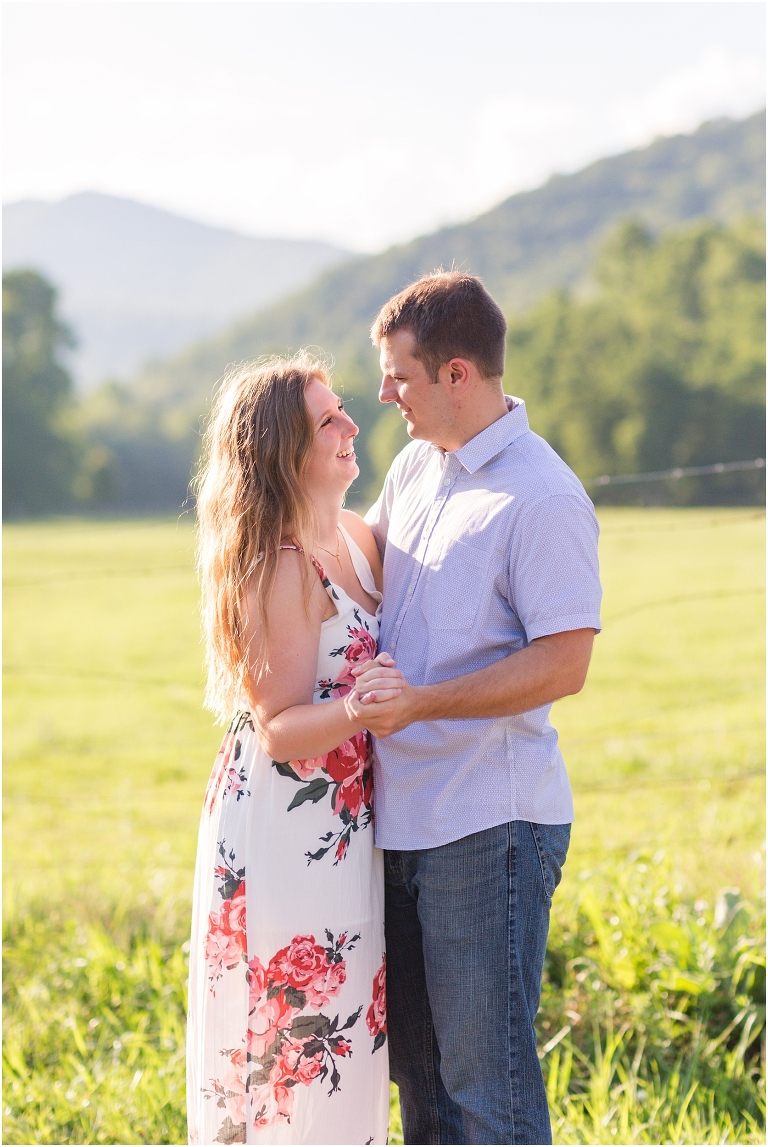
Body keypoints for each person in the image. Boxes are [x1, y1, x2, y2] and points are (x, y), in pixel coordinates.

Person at [350, 272, 603, 1145]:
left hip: (488, 824)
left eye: (400, 377)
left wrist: (420, 704)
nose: (385, 397)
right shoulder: (418, 464)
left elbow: (565, 661)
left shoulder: (543, 496)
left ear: (458, 374)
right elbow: (362, 561)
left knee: (486, 1092)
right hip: (403, 821)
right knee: (422, 1090)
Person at [186, 354, 398, 1146]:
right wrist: (359, 704)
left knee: (344, 1034)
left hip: (344, 833)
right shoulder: (283, 561)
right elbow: (278, 727)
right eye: (327, 422)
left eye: (342, 410)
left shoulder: (353, 532)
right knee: (295, 1047)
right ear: (285, 453)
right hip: (287, 828)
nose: (350, 427)